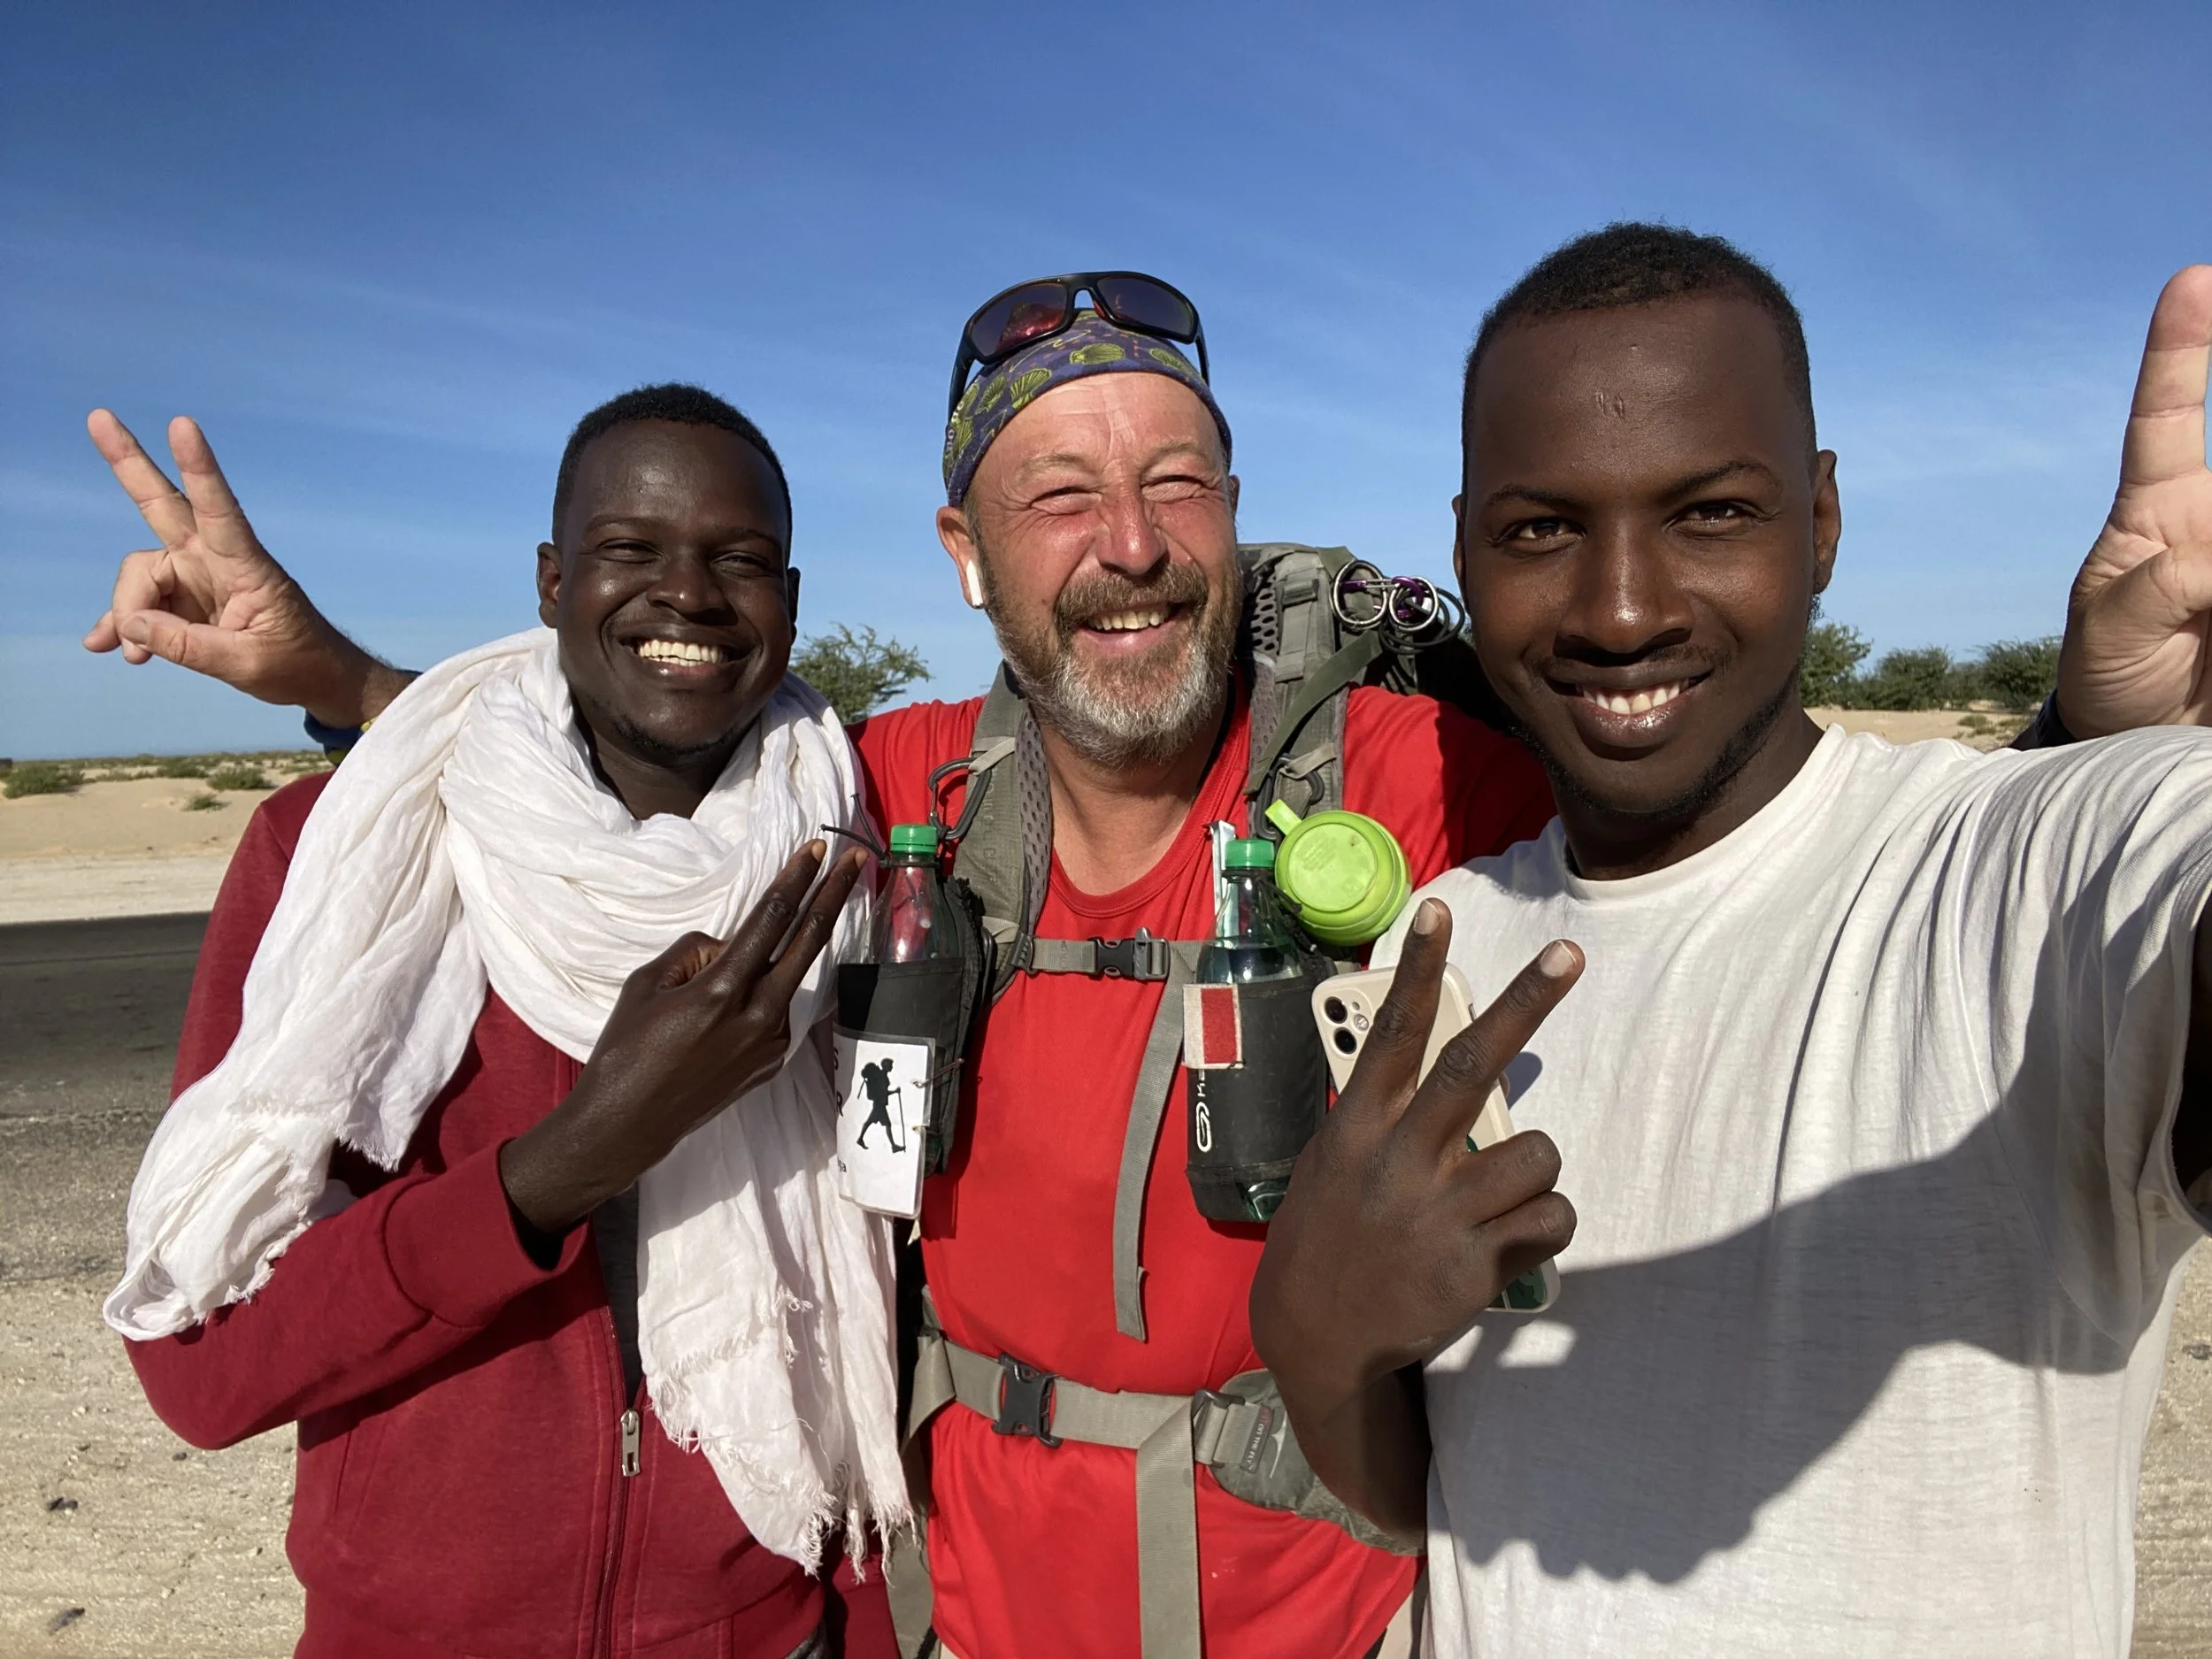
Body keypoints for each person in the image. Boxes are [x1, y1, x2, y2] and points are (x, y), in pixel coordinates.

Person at [81, 257, 2204, 1659]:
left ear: (1232, 513)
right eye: (1055, 495)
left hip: (1327, 1611)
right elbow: (636, 761)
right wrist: (342, 680)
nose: (1126, 540)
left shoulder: (1422, 774)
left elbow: (1752, 820)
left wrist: (2078, 743)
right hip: (974, 1610)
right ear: (960, 557)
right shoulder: (884, 787)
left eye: (1174, 478)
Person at [1249, 227, 2212, 1657]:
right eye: (1541, 530)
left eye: (1709, 513)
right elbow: (1441, 1497)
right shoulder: (1437, 950)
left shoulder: (2018, 871)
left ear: (1819, 521)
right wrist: (1315, 1342)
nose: (1621, 609)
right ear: (1462, 551)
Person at [96, 384, 903, 1658]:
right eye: (630, 548)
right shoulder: (341, 864)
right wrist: (570, 1159)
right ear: (552, 580)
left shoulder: (856, 869)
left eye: (739, 560)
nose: (687, 593)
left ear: (790, 603)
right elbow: (202, 1363)